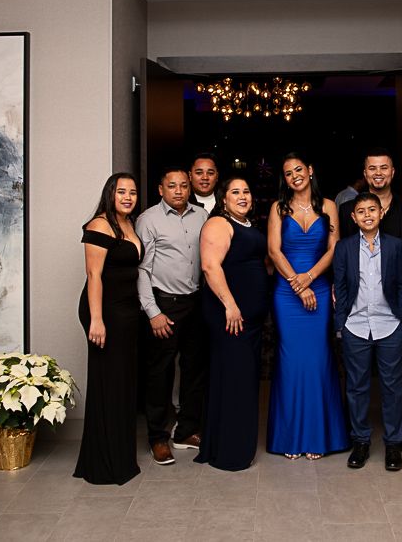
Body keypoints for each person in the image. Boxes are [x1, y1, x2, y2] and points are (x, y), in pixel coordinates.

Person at [266, 152, 348, 460]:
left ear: (310, 170)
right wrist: (297, 285)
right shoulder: (278, 208)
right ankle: (290, 438)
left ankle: (317, 436)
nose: (294, 176)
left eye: (298, 169)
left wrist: (310, 278)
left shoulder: (328, 206)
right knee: (290, 360)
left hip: (320, 288)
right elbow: (274, 250)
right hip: (287, 294)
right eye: (288, 173)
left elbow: (335, 247)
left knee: (318, 358)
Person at [338, 147, 402, 452]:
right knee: (357, 384)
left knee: (394, 382)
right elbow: (344, 268)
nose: (378, 173)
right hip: (357, 317)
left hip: (392, 314)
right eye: (372, 168)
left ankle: (396, 437)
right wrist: (340, 319)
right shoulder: (347, 217)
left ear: (393, 172)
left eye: (384, 167)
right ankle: (360, 439)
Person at [194, 177, 269, 471]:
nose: (242, 196)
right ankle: (230, 452)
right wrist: (231, 305)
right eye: (235, 192)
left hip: (248, 319)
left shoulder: (248, 225)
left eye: (247, 191)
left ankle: (235, 443)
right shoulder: (218, 224)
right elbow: (210, 267)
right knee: (235, 380)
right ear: (223, 198)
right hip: (230, 317)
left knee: (243, 380)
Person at [135, 167, 208, 465]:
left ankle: (185, 431)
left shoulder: (202, 216)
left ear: (189, 188)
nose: (178, 191)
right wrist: (153, 312)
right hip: (165, 304)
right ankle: (157, 438)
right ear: (160, 189)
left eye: (183, 186)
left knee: (194, 369)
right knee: (160, 374)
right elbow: (142, 270)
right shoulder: (148, 220)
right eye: (171, 186)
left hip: (197, 302)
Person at [74, 173, 142, 485]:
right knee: (109, 383)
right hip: (106, 312)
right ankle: (103, 463)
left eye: (132, 192)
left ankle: (121, 454)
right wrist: (97, 320)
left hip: (127, 311)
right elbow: (94, 275)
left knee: (123, 383)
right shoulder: (99, 225)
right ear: (110, 194)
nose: (128, 197)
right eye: (121, 192)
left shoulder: (129, 223)